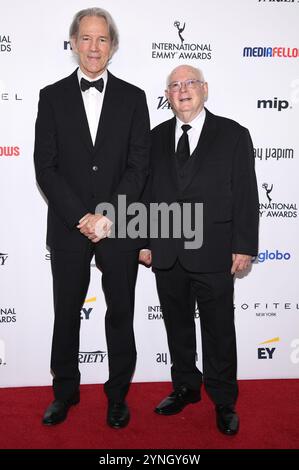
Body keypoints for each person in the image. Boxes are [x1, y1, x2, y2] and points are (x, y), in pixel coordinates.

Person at [34, 7, 150, 429]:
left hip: (119, 226)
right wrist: (82, 216)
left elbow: (139, 166)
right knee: (66, 311)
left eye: (102, 39)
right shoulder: (51, 96)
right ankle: (64, 392)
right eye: (86, 38)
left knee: (121, 312)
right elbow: (44, 166)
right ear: (73, 42)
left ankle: (117, 395)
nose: (94, 47)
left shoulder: (134, 98)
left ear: (113, 46)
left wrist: (106, 216)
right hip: (68, 227)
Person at [139, 65, 259, 435]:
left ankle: (223, 400)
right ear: (167, 95)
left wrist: (244, 245)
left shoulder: (234, 134)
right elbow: (144, 193)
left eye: (190, 83)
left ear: (205, 89)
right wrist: (143, 239)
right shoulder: (154, 137)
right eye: (174, 85)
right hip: (167, 250)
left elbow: (246, 194)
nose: (182, 90)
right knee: (176, 324)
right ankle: (186, 387)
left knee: (219, 329)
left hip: (216, 252)